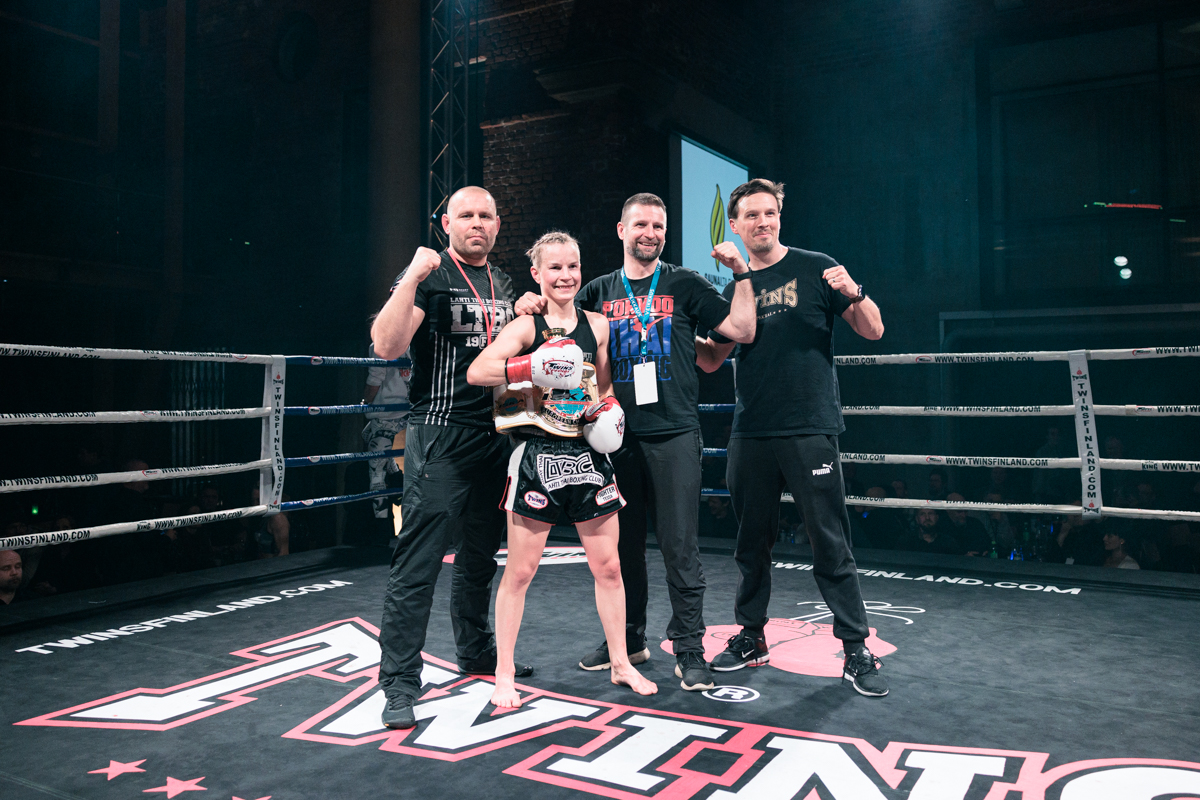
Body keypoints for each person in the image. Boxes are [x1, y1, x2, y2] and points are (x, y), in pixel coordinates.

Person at [513, 192, 756, 691]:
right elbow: (553, 321)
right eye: (640, 224)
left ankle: (689, 649)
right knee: (621, 549)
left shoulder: (685, 283)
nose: (650, 233)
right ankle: (627, 640)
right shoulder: (598, 290)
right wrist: (528, 302)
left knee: (679, 546)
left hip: (674, 433)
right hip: (610, 437)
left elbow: (742, 329)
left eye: (658, 226)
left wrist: (742, 274)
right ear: (622, 230)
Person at [694, 178, 889, 697]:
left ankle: (855, 647)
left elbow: (873, 330)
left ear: (779, 216)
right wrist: (670, 330)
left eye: (769, 213)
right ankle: (751, 635)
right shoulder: (733, 288)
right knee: (750, 542)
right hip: (752, 429)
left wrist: (855, 291)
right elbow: (711, 359)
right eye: (752, 215)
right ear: (735, 225)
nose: (762, 222)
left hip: (809, 426)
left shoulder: (816, 267)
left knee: (829, 540)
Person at [465, 230, 657, 706]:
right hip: (537, 456)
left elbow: (604, 387)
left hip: (588, 457)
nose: (566, 275)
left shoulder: (598, 326)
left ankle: (621, 663)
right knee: (520, 572)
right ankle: (504, 673)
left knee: (609, 567)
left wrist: (609, 412)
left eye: (572, 266)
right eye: (555, 267)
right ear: (537, 274)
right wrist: (528, 367)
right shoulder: (526, 327)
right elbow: (478, 372)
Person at [372, 186, 519, 730]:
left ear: (497, 225)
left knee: (481, 556)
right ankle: (399, 682)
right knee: (419, 560)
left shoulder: (503, 283)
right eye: (466, 215)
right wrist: (410, 276)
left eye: (485, 216)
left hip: (495, 434)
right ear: (446, 223)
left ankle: (475, 652)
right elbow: (386, 346)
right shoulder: (430, 275)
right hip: (439, 432)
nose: (476, 223)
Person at [362, 341, 411, 530]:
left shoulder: (381, 343)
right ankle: (394, 471)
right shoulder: (412, 341)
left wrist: (366, 402)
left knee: (376, 473)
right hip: (410, 410)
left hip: (385, 413)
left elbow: (375, 379)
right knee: (367, 436)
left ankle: (381, 530)